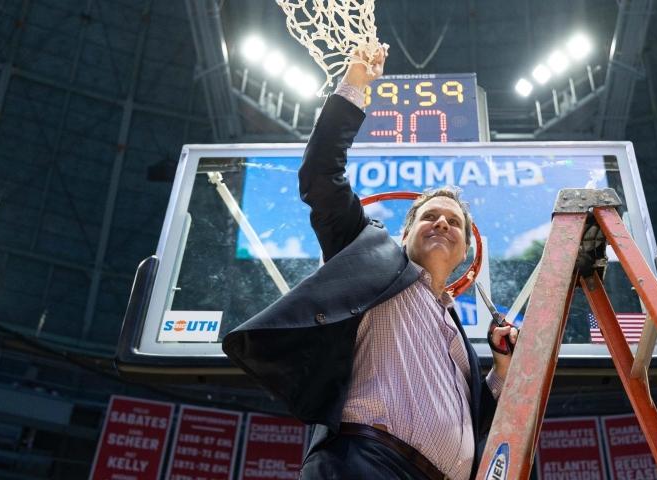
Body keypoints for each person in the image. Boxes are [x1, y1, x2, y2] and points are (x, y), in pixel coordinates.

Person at [222, 45, 518, 480]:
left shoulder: (457, 333)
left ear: (465, 251)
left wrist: (502, 368)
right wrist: (355, 83)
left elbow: (478, 424)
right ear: (405, 234)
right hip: (364, 462)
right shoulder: (369, 256)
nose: (441, 222)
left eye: (453, 221)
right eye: (429, 217)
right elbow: (321, 175)